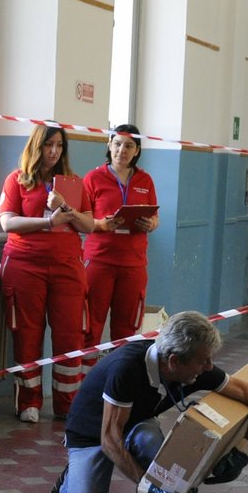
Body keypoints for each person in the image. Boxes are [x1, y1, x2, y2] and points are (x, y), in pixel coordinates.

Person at [51, 311, 248, 493]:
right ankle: (68, 483)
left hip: (135, 425)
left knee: (151, 440)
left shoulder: (193, 368)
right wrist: (148, 486)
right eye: (203, 360)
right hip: (93, 435)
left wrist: (242, 453)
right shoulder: (126, 367)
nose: (209, 367)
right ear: (174, 361)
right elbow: (109, 439)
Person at [0, 124, 96, 422]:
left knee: (70, 335)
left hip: (67, 267)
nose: (53, 152)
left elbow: (88, 226)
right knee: (27, 334)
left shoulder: (74, 183)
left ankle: (67, 404)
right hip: (25, 266)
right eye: (47, 145)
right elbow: (8, 222)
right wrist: (47, 222)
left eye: (59, 146)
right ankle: (29, 401)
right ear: (35, 147)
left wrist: (65, 206)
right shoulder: (17, 181)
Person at [81, 123, 160, 350]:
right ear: (109, 145)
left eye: (129, 146)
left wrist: (151, 223)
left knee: (126, 330)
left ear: (137, 150)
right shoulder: (93, 178)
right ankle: (87, 382)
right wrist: (100, 224)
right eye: (117, 144)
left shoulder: (145, 180)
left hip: (133, 264)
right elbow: (79, 220)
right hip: (99, 261)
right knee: (90, 327)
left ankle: (119, 380)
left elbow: (155, 217)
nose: (122, 150)